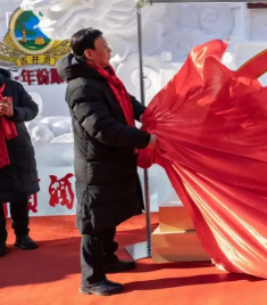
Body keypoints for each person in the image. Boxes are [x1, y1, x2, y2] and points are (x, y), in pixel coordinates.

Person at [57, 28, 157, 296]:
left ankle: (108, 259)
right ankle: (91, 278)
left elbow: (126, 102)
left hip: (113, 160)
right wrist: (145, 140)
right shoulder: (81, 86)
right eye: (104, 45)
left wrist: (150, 116)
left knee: (109, 215)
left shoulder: (103, 76)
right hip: (97, 164)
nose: (109, 50)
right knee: (94, 221)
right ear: (90, 53)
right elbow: (101, 128)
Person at [0, 69, 40, 257]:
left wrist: (13, 111)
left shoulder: (13, 87)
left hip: (17, 149)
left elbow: (32, 109)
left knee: (20, 194)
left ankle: (22, 235)